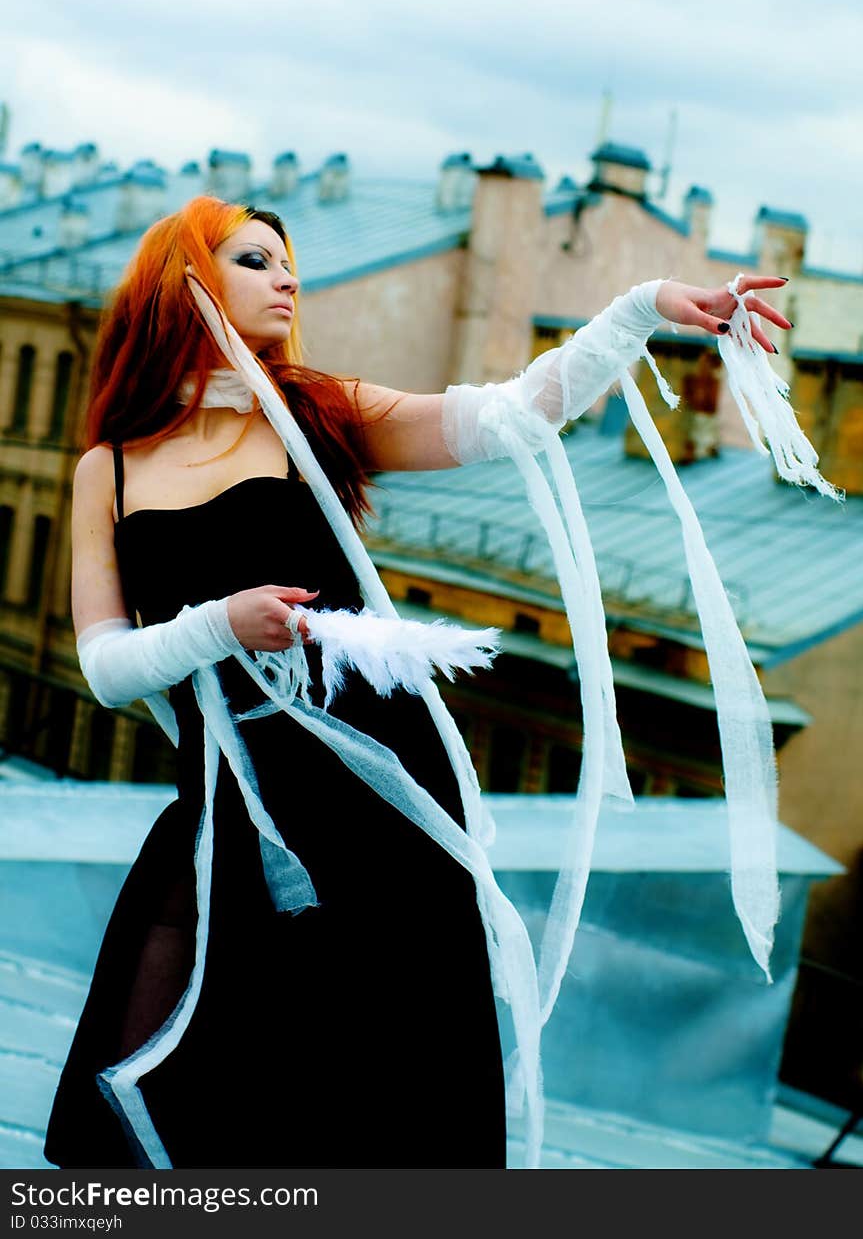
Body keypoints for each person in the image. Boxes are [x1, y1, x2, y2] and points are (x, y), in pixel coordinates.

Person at [43, 193, 793, 1169]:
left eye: (289, 262)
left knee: (380, 1080)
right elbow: (103, 666)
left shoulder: (316, 411)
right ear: (182, 281)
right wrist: (215, 627)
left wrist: (642, 307)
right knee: (162, 1072)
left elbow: (516, 415)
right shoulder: (110, 465)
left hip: (378, 796)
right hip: (227, 805)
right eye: (257, 260)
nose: (288, 279)